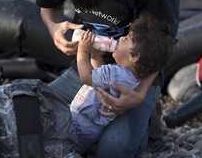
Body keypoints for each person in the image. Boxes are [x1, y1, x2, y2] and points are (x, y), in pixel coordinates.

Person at [35, 0, 179, 157]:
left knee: (113, 151)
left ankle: (150, 116)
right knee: (33, 114)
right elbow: (49, 8)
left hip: (137, 72)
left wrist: (139, 95)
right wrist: (53, 27)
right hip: (92, 66)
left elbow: (163, 48)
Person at [70, 14, 177, 154]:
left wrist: (83, 51)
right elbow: (100, 77)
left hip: (80, 124)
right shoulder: (131, 78)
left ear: (134, 56)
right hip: (89, 127)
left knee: (59, 144)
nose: (120, 38)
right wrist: (97, 55)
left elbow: (87, 77)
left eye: (126, 38)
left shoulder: (116, 73)